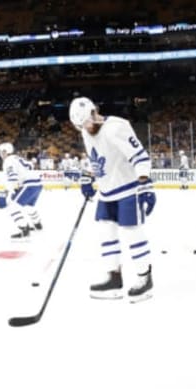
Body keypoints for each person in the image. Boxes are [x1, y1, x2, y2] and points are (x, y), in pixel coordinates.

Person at [69, 97, 156, 303]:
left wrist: (145, 184)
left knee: (131, 231)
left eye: (87, 123)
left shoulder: (116, 127)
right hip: (106, 192)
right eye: (81, 126)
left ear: (94, 112)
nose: (86, 129)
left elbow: (139, 157)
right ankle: (113, 278)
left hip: (128, 189)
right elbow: (95, 157)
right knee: (105, 231)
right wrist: (88, 177)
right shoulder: (85, 130)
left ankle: (145, 278)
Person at [0, 142, 43, 239]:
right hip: (37, 183)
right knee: (29, 206)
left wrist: (8, 191)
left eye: (1, 152)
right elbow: (30, 166)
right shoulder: (17, 158)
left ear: (5, 152)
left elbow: (12, 177)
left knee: (12, 207)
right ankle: (37, 224)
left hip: (28, 184)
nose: (0, 154)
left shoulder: (8, 161)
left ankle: (24, 229)